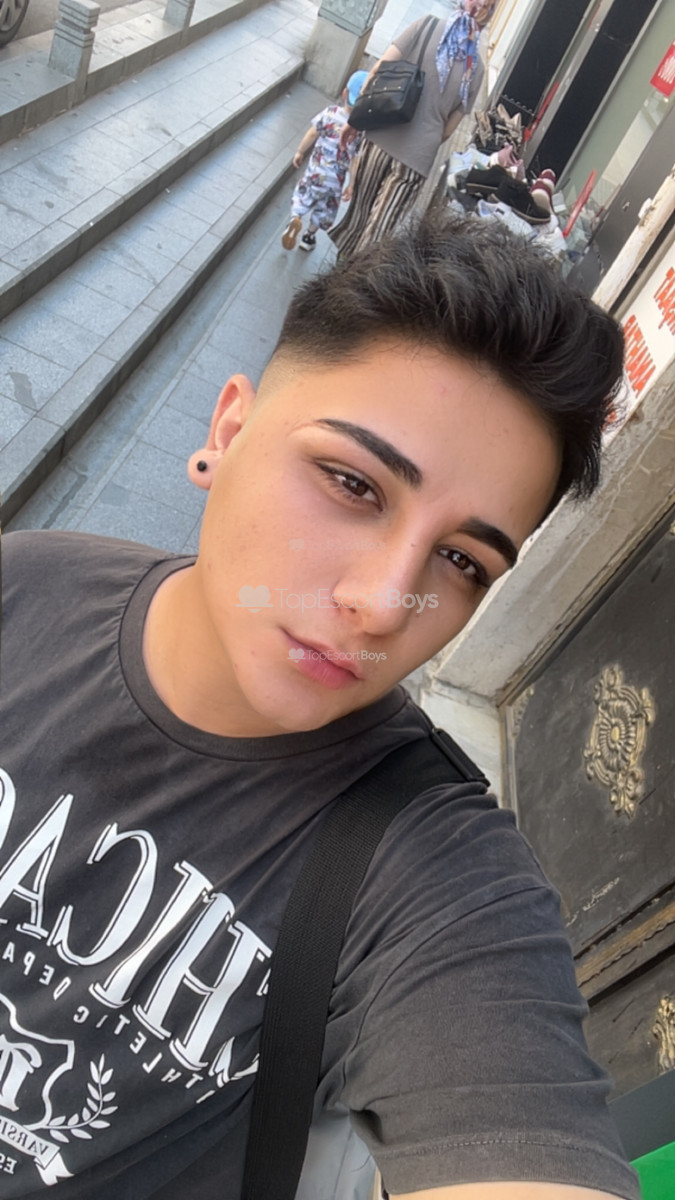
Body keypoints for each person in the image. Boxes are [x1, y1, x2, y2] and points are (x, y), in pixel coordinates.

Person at [0, 213, 640, 1200]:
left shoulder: (435, 878)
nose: (384, 603)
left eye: (461, 561)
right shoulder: (24, 590)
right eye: (352, 483)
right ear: (227, 432)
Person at [330, 0, 494, 259]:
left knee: (359, 217)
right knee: (378, 233)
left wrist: (355, 119)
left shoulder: (425, 25)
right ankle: (352, 276)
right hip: (417, 158)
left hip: (381, 135)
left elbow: (379, 70)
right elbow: (449, 129)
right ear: (488, 16)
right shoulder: (477, 70)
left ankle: (342, 268)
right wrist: (422, 141)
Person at [281, 70, 367, 252]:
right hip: (334, 183)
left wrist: (300, 151)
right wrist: (351, 184)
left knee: (303, 196)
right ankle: (308, 237)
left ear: (345, 93)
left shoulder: (330, 113)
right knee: (324, 210)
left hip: (315, 173)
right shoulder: (360, 130)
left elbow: (313, 133)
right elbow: (355, 159)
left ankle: (295, 218)